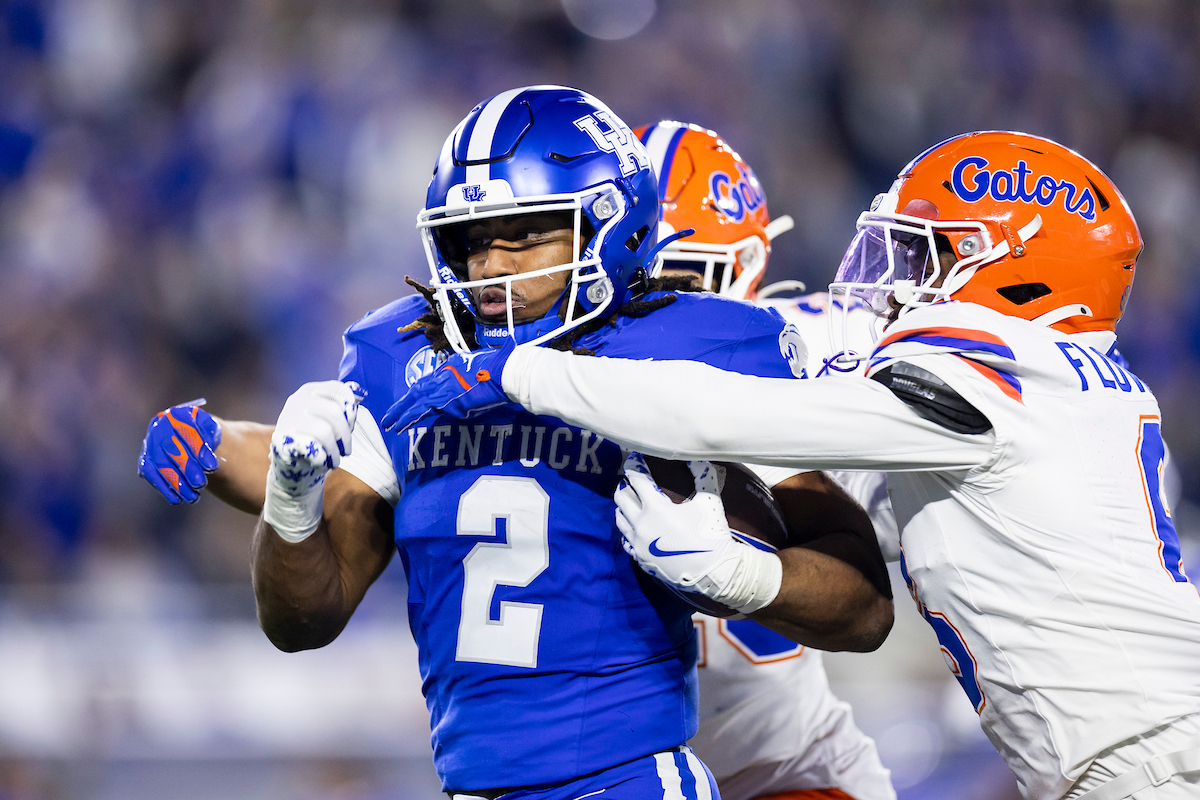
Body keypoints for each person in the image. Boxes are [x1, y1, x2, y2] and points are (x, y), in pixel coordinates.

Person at [389, 131, 1200, 800]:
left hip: (1148, 763)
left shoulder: (992, 368)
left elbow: (728, 413)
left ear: (1018, 267)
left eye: (925, 258)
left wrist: (516, 371)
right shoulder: (1073, 383)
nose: (896, 287)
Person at [138, 86, 893, 799]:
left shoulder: (700, 346)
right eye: (472, 240)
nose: (492, 265)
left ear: (613, 225)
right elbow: (300, 618)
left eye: (527, 234)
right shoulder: (403, 357)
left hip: (669, 776)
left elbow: (863, 604)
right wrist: (288, 490)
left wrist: (741, 575)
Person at [633, 120, 895, 800]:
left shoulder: (813, 354)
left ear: (745, 266)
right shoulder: (559, 370)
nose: (649, 307)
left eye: (678, 278)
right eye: (630, 279)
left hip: (787, 769)